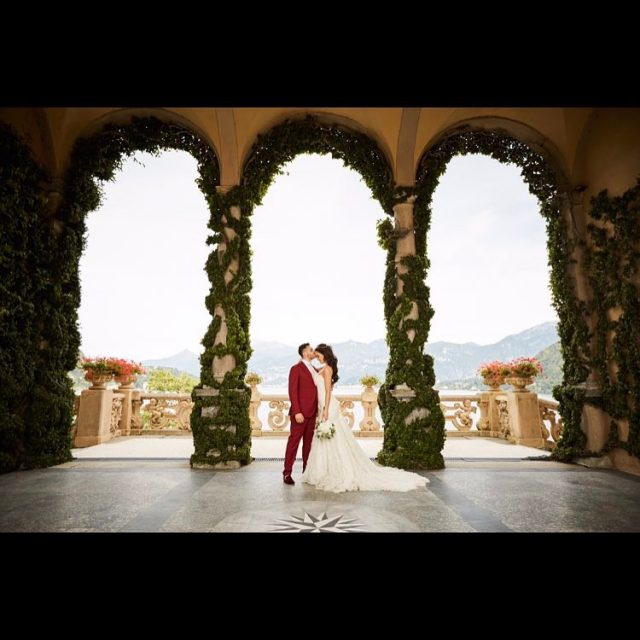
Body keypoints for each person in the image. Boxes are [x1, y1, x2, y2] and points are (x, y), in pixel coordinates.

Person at [302, 344, 429, 493]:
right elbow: (312, 372)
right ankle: (323, 470)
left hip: (328, 406)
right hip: (322, 405)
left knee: (333, 439)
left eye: (318, 355)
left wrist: (325, 410)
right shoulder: (322, 368)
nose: (317, 357)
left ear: (325, 354)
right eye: (316, 355)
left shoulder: (328, 369)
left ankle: (337, 470)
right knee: (325, 439)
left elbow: (328, 391)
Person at [282, 343, 319, 485]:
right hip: (300, 414)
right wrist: (297, 411)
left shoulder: (315, 369)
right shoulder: (296, 369)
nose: (313, 351)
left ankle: (306, 472)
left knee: (308, 444)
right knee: (293, 443)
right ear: (304, 353)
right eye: (311, 349)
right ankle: (287, 473)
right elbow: (292, 391)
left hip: (312, 413)